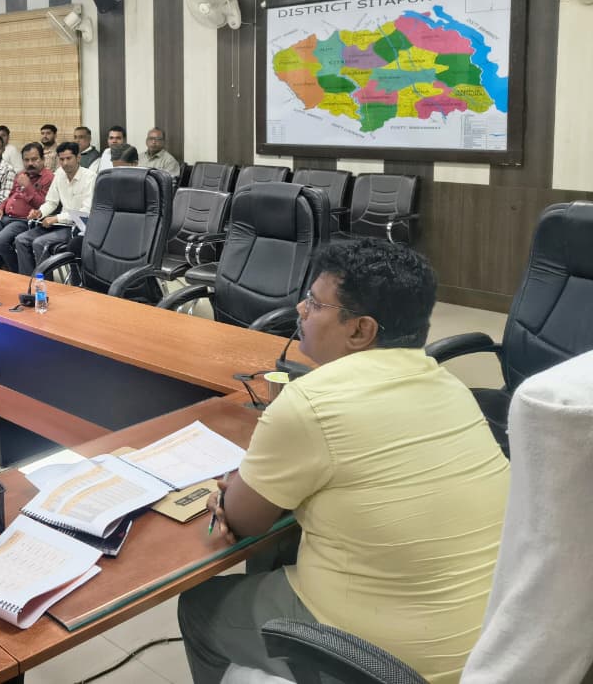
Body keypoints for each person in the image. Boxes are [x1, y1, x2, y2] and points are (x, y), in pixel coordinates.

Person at [178, 239, 510, 684]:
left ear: (360, 331)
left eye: (316, 304)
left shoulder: (310, 402)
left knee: (199, 606)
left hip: (392, 665)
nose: (300, 309)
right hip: (489, 646)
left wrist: (232, 497)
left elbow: (245, 521)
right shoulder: (451, 385)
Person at [0, 142, 52, 272]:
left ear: (42, 159)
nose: (30, 163)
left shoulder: (48, 178)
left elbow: (43, 205)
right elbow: (10, 195)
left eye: (34, 159)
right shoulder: (21, 175)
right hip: (5, 216)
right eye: (26, 160)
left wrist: (28, 186)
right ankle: (4, 267)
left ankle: (17, 273)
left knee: (0, 241)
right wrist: (0, 208)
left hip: (24, 221)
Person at [16, 142, 94, 275]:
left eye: (68, 158)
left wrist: (57, 218)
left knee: (39, 243)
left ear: (78, 158)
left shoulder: (90, 177)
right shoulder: (59, 174)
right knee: (21, 239)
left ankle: (44, 283)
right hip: (59, 224)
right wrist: (40, 212)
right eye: (61, 159)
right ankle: (27, 279)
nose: (65, 163)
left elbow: (85, 212)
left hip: (76, 227)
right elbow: (51, 202)